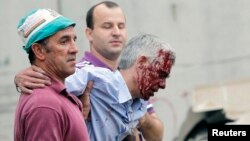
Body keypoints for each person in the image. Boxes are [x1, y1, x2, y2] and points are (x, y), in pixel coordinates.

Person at [14, 1, 171, 141]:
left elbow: (157, 135)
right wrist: (22, 77)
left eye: (121, 26)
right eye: (107, 26)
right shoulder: (79, 77)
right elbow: (47, 88)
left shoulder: (133, 79)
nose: (116, 32)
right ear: (89, 33)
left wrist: (131, 112)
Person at [14, 8, 90, 141]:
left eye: (74, 40)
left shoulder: (54, 97)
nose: (75, 49)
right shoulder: (45, 105)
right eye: (64, 41)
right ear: (39, 51)